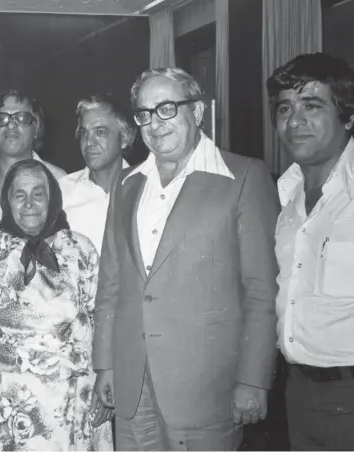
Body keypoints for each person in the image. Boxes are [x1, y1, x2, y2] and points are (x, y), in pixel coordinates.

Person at [93, 67, 280, 450]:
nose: (154, 124)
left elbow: (262, 291)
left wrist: (254, 379)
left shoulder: (244, 176)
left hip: (207, 388)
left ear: (197, 112)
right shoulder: (127, 185)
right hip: (134, 382)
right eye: (144, 113)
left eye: (166, 109)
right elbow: (110, 284)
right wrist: (105, 363)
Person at [0, 159, 113, 451]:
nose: (29, 204)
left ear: (52, 198)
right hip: (4, 399)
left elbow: (101, 316)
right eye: (19, 195)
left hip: (69, 402)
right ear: (7, 201)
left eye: (38, 194)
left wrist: (106, 375)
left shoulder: (81, 249)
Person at [267, 53, 354, 450]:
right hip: (297, 394)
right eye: (285, 108)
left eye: (312, 106)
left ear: (348, 117)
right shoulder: (285, 198)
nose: (294, 120)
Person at [0, 89, 66, 232]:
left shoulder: (61, 181)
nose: (11, 125)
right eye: (1, 118)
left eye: (22, 118)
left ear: (37, 127)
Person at [59, 93, 135, 250]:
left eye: (100, 132)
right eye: (84, 133)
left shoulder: (145, 189)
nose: (88, 142)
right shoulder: (61, 192)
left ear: (125, 139)